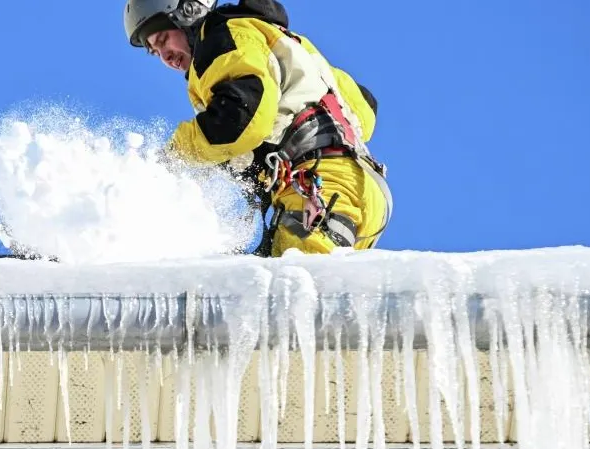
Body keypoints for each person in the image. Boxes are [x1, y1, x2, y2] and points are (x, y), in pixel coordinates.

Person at [125, 0, 393, 257]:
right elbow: (365, 109)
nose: (164, 57)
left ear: (189, 11)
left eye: (162, 40)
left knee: (296, 289)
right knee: (303, 288)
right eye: (154, 51)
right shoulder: (284, 42)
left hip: (315, 187)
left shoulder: (222, 40)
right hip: (361, 188)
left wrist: (174, 156)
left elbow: (240, 119)